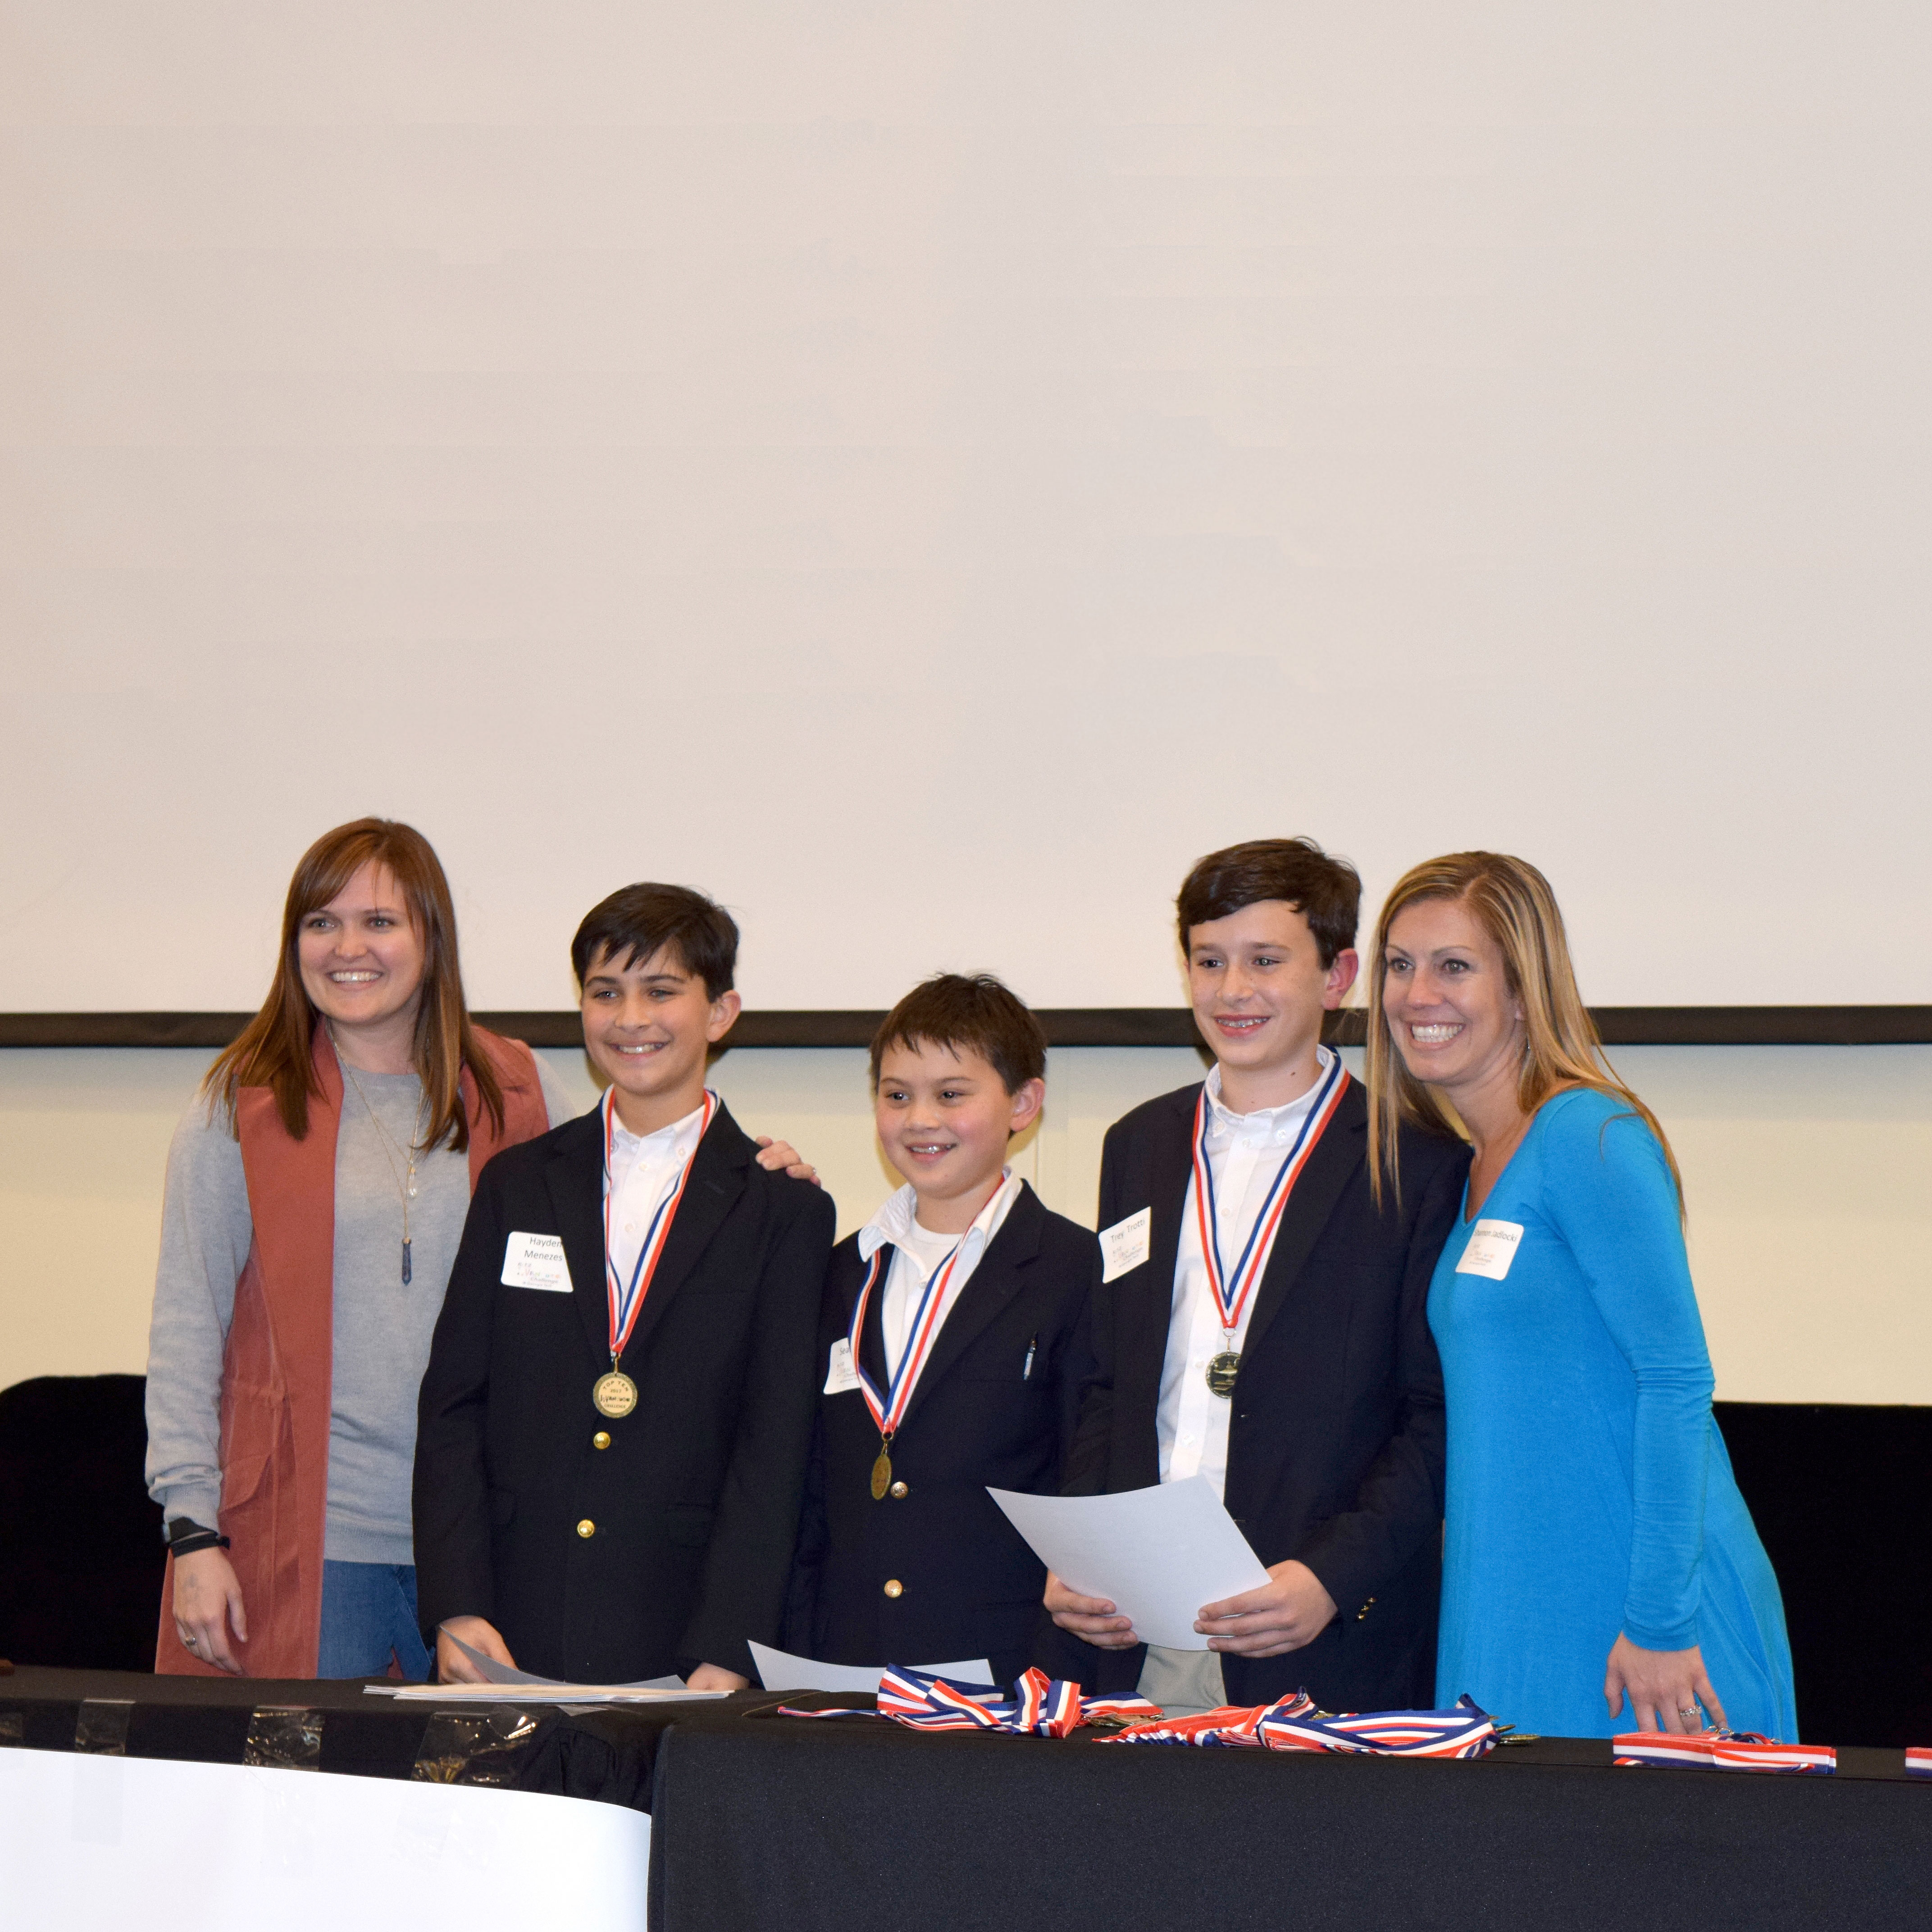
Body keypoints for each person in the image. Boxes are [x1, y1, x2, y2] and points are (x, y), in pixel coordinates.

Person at [1367, 850, 1796, 1740]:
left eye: (1453, 965)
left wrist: (1658, 1621)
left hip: (1637, 1624)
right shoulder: (1468, 1165)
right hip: (1515, 1604)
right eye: (1398, 964)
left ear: (1523, 990)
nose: (1415, 994)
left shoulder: (1588, 1134)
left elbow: (1674, 1381)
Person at [1042, 838, 1468, 1717]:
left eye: (1265, 960)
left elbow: (1431, 1420)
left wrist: (1327, 1578)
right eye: (1208, 960)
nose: (1232, 990)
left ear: (1336, 973)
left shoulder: (1416, 1162)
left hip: (1314, 1634)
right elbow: (1106, 1385)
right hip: (1139, 1629)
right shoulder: (1139, 1145)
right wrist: (1085, 1554)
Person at [145, 818, 570, 1680]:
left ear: (430, 938)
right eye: (321, 922)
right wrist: (192, 1533)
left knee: (473, 1809)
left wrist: (752, 1169)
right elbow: (186, 1328)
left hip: (483, 1547)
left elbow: (639, 1192)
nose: (349, 948)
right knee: (299, 1810)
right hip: (306, 1543)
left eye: (380, 922)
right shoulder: (242, 1102)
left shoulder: (517, 1087)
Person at [414, 883, 836, 1688]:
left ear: (721, 1012)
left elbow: (775, 1448)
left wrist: (732, 1640)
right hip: (509, 1620)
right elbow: (453, 1407)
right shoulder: (518, 1183)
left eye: (662, 991)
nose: (631, 1018)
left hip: (681, 1628)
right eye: (605, 993)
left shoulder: (783, 1208)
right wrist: (458, 1606)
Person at [788, 974, 1101, 1685]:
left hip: (1006, 1673)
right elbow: (806, 1488)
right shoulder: (840, 1271)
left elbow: (1086, 1482)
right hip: (844, 1665)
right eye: (896, 1095)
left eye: (951, 1095)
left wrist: (1051, 1683)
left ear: (1024, 1102)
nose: (919, 1119)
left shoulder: (1076, 1268)